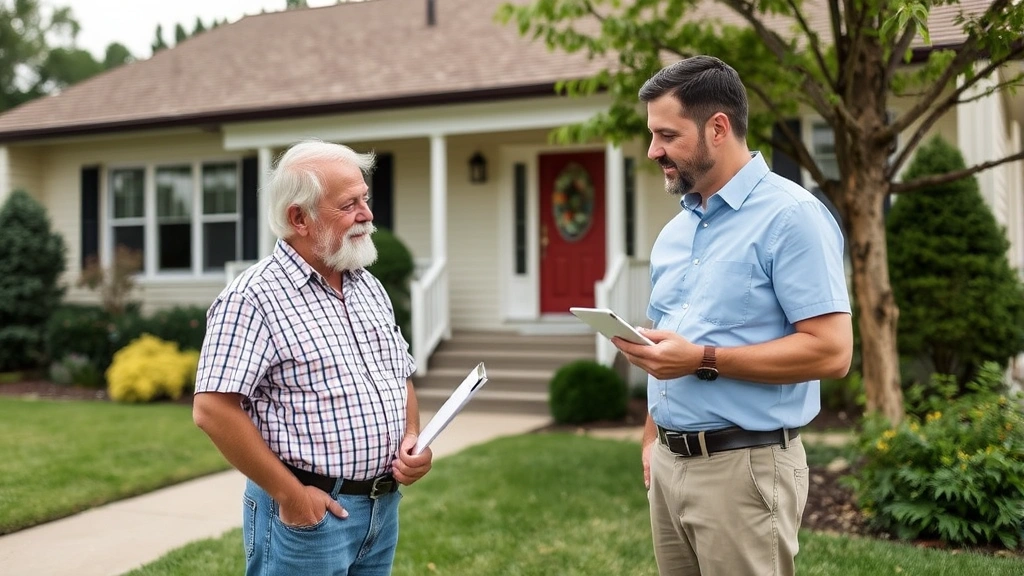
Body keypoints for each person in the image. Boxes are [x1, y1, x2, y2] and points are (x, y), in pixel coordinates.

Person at [612, 56, 853, 576]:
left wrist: (701, 358)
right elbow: (667, 348)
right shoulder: (674, 233)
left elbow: (833, 351)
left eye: (666, 135)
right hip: (671, 470)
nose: (653, 151)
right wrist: (653, 436)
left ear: (717, 128)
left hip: (746, 470)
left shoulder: (793, 217)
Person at [192, 139, 432, 576]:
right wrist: (293, 498)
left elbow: (400, 378)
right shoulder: (253, 297)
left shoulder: (368, 286)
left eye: (365, 199)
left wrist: (411, 437)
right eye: (348, 205)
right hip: (308, 516)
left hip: (381, 508)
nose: (367, 214)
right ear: (299, 218)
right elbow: (212, 409)